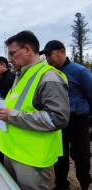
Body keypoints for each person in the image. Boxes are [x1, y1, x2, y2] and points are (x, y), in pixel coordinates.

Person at [0, 31, 70, 190]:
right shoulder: (20, 75)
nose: (9, 59)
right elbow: (17, 106)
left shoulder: (49, 77)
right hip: (11, 151)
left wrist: (12, 116)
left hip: (32, 159)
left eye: (12, 54)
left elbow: (58, 118)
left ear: (28, 49)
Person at [39, 40, 92, 190]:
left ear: (62, 51)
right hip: (58, 119)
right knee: (59, 154)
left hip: (78, 119)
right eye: (46, 56)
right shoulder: (50, 73)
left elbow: (91, 93)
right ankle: (62, 184)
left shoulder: (79, 71)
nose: (48, 59)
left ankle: (84, 182)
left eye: (50, 54)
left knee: (81, 155)